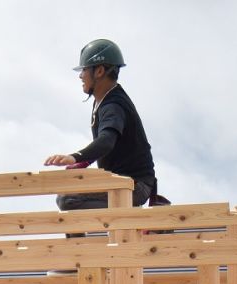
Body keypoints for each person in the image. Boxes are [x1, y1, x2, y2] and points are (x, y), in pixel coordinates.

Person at [43, 39, 162, 210]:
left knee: (68, 199)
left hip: (134, 186)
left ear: (99, 71)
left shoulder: (113, 105)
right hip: (122, 182)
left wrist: (76, 156)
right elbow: (107, 145)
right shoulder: (103, 100)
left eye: (84, 69)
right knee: (69, 191)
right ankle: (122, 216)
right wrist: (83, 162)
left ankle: (128, 214)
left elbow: (106, 140)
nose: (80, 75)